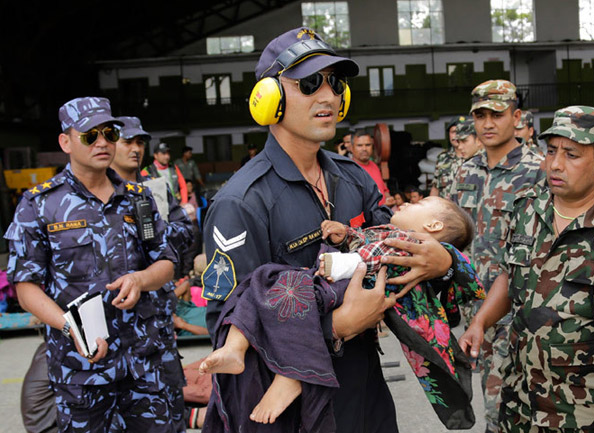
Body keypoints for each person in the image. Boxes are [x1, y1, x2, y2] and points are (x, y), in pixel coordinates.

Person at [201, 27, 458, 433]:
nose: (328, 97)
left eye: (335, 83)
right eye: (307, 84)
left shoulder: (354, 180)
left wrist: (443, 261)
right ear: (270, 100)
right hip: (295, 411)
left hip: (366, 397)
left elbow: (399, 254)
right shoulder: (242, 202)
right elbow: (227, 327)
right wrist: (338, 327)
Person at [200, 196, 482, 428]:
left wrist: (337, 264)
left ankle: (290, 378)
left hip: (344, 289)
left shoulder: (412, 245)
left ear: (432, 225)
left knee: (277, 296)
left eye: (418, 204)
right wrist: (346, 234)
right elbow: (367, 241)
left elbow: (373, 259)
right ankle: (235, 349)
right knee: (260, 285)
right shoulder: (392, 231)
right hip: (333, 286)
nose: (408, 203)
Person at [4, 97, 180, 432]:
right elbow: (26, 287)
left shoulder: (137, 198)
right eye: (89, 135)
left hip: (144, 364)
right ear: (65, 142)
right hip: (81, 370)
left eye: (109, 133)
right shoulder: (40, 205)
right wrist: (70, 327)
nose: (102, 142)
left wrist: (141, 280)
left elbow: (167, 264)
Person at [460, 105, 594, 433]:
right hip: (520, 394)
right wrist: (480, 321)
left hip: (582, 407)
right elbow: (512, 275)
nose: (555, 164)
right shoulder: (528, 208)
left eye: (572, 154)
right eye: (551, 151)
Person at [449, 79, 545, 432]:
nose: (488, 123)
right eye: (480, 115)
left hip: (523, 312)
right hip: (479, 312)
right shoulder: (466, 171)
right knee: (494, 404)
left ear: (516, 116)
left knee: (527, 405)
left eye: (497, 114)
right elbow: (455, 236)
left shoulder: (538, 170)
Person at [351, 129, 393, 206]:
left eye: (368, 145)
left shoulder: (374, 165)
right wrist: (381, 206)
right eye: (359, 145)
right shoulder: (349, 169)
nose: (364, 149)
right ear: (352, 148)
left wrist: (389, 198)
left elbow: (384, 190)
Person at [430, 115, 464, 198]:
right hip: (446, 208)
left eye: (460, 132)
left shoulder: (477, 157)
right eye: (453, 132)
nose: (456, 136)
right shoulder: (443, 158)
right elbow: (435, 187)